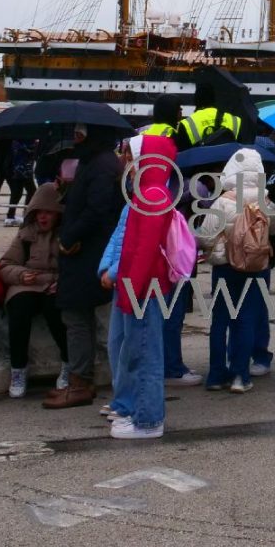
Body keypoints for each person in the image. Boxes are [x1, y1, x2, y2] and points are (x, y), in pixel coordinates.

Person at [99, 133, 181, 441]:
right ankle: (139, 413)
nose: (128, 164)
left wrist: (130, 287)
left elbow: (144, 249)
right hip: (140, 286)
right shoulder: (149, 193)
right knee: (137, 351)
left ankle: (148, 420)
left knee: (145, 354)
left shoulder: (151, 195)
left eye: (134, 158)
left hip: (144, 288)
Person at [43, 128, 121, 410]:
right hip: (89, 251)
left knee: (76, 317)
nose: (75, 136)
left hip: (86, 252)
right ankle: (80, 380)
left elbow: (96, 209)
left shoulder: (100, 164)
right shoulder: (98, 160)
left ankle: (79, 383)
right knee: (78, 317)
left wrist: (70, 237)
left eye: (80, 132)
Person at [197, 147, 275, 394]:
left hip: (225, 268)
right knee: (246, 321)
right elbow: (273, 230)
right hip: (255, 268)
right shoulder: (267, 202)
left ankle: (216, 375)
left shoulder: (222, 202)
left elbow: (205, 237)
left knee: (220, 321)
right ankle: (240, 376)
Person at [0, 183, 70, 399]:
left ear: (58, 213)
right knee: (19, 310)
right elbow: (5, 265)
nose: (43, 217)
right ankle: (18, 369)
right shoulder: (25, 234)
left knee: (56, 311)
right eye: (39, 212)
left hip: (55, 284)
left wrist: (61, 281)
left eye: (48, 212)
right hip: (27, 283)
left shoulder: (67, 234)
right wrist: (21, 275)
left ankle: (69, 364)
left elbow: (77, 266)